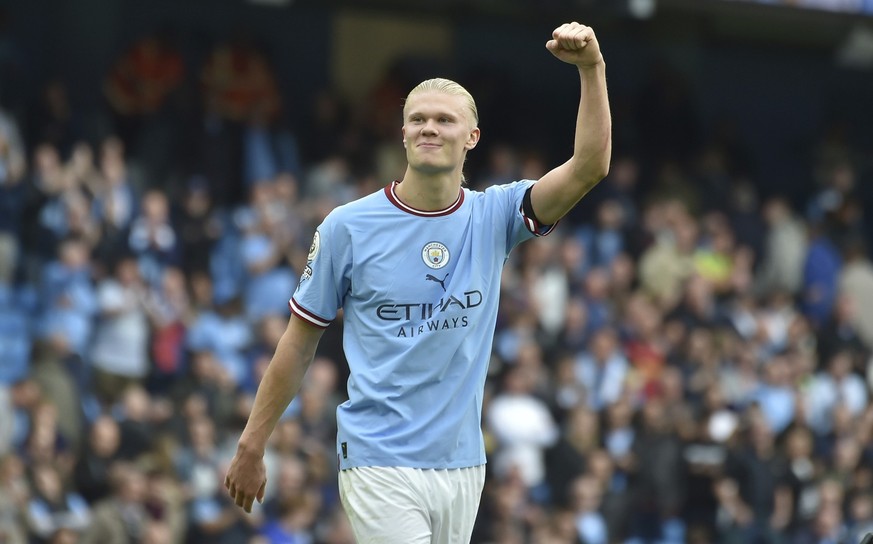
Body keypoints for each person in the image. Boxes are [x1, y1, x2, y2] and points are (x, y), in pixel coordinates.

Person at [224, 21, 611, 543]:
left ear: (472, 137)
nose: (430, 127)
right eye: (418, 119)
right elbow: (298, 342)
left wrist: (591, 68)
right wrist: (253, 442)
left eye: (445, 120)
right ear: (402, 133)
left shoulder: (495, 215)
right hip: (378, 459)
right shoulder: (347, 227)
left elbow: (589, 166)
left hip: (462, 464)